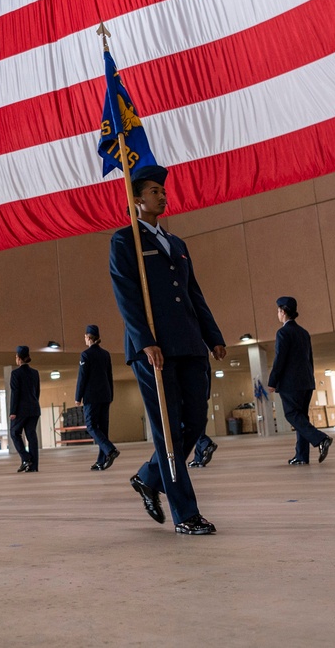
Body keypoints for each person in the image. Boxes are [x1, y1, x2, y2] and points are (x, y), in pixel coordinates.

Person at [110, 164, 226, 536]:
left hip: (190, 344)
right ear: (137, 200)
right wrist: (145, 340)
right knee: (168, 434)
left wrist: (213, 335)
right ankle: (186, 514)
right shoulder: (124, 240)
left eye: (162, 190)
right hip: (154, 350)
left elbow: (194, 294)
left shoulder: (177, 244)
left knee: (193, 422)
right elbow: (127, 296)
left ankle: (148, 477)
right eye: (154, 191)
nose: (162, 195)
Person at [267, 296, 333, 465]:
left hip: (291, 384)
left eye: (278, 311)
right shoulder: (303, 333)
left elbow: (279, 358)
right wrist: (310, 379)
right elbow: (309, 359)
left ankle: (321, 439)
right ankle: (301, 456)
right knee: (301, 417)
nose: (278, 314)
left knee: (292, 415)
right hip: (306, 382)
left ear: (282, 312)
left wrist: (273, 380)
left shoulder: (283, 332)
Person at [75, 325, 119, 471]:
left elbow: (82, 377)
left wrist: (78, 397)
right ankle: (101, 460)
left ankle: (110, 450)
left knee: (91, 425)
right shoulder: (106, 354)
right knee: (103, 428)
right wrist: (111, 394)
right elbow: (109, 375)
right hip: (105, 395)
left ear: (88, 337)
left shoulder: (85, 355)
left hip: (91, 397)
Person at [9, 346, 40, 473]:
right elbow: (37, 392)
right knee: (31, 435)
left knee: (14, 433)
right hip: (34, 408)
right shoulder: (35, 373)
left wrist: (13, 411)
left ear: (19, 358)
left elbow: (15, 393)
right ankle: (33, 466)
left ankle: (26, 458)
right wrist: (34, 403)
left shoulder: (16, 373)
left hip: (21, 410)